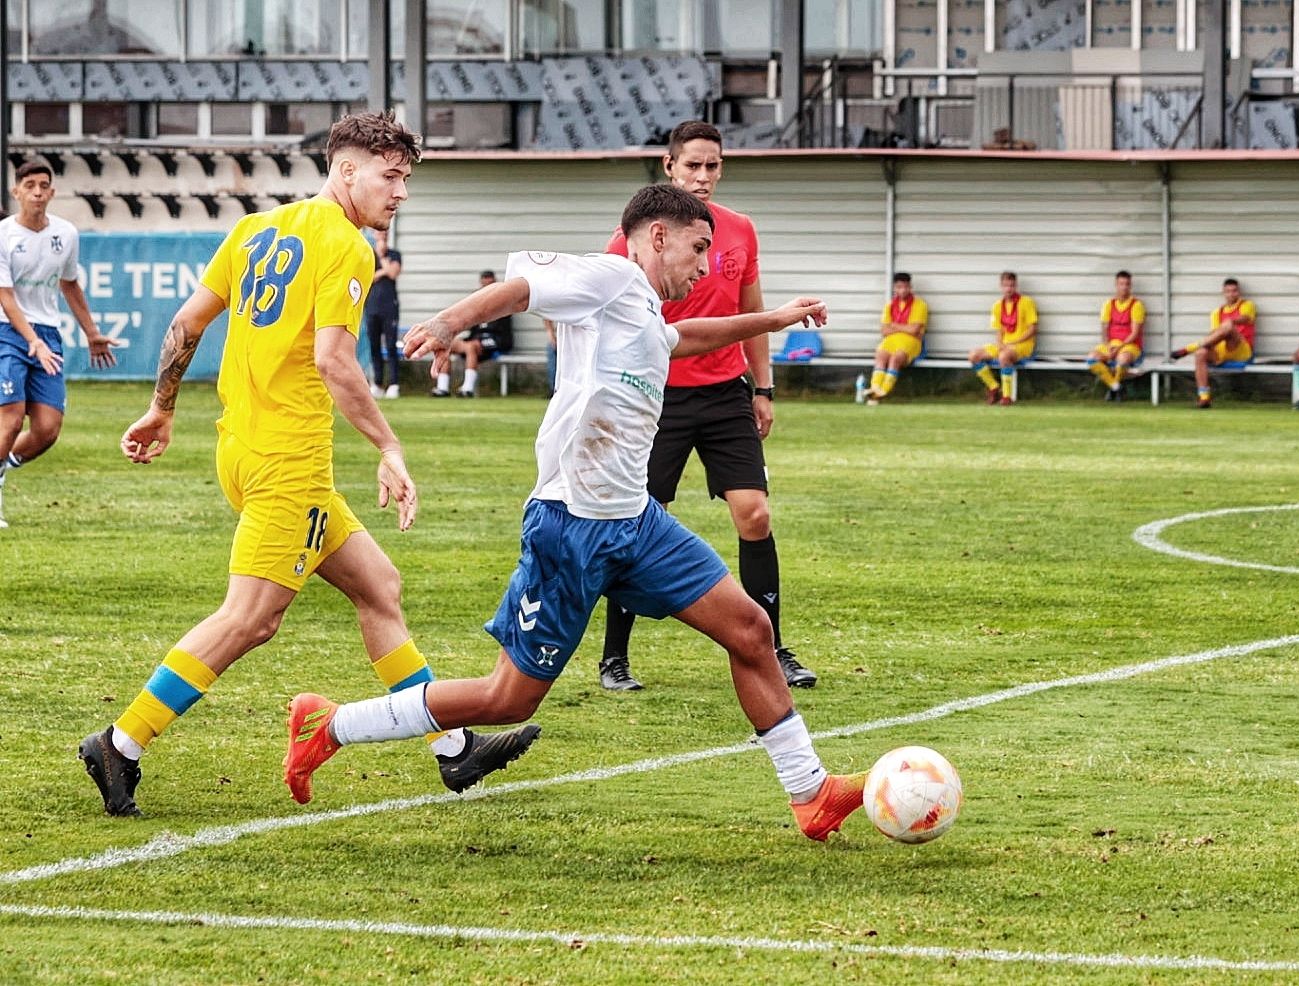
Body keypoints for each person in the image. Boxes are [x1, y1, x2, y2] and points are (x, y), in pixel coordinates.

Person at [283, 183, 865, 843]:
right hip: (572, 524)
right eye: (698, 249)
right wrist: (451, 322)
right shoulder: (613, 275)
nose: (706, 267)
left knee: (752, 631)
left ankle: (811, 795)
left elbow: (684, 337)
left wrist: (772, 320)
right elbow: (523, 287)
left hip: (636, 523)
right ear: (658, 237)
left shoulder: (641, 305)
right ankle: (327, 725)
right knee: (509, 699)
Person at [78, 112, 538, 818]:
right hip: (288, 463)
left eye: (407, 178)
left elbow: (186, 324)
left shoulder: (258, 229)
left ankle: (454, 749)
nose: (402, 193)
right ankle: (121, 742)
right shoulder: (346, 245)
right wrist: (389, 447)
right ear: (346, 170)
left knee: (379, 587)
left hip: (244, 449)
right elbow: (333, 360)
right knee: (250, 619)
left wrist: (163, 406)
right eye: (392, 176)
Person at [599, 120, 816, 693]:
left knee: (756, 514)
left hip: (726, 395)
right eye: (691, 165)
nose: (702, 176)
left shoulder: (741, 231)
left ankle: (770, 648)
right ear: (669, 167)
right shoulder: (633, 237)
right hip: (655, 396)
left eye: (712, 165)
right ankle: (613, 656)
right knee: (634, 521)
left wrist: (763, 389)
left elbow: (753, 311)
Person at [0, 160, 117, 529]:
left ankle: (3, 467)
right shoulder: (3, 235)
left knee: (47, 429)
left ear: (52, 193)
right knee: (11, 418)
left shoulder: (66, 234)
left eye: (43, 185)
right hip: (8, 330)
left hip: (47, 334)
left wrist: (92, 333)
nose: (37, 191)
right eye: (29, 185)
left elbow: (70, 285)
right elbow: (5, 296)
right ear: (17, 191)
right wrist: (30, 340)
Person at [1171, 278, 1255, 409]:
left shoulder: (1247, 305)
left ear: (1239, 292)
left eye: (1234, 291)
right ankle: (1204, 397)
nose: (1231, 294)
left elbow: (1246, 318)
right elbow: (1215, 334)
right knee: (1200, 353)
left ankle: (1189, 348)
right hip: (1221, 351)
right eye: (1228, 291)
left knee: (1228, 325)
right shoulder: (1217, 312)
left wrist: (1231, 321)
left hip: (1240, 348)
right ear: (1223, 293)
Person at [430, 270, 514, 397]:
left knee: (471, 347)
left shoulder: (504, 300)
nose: (487, 288)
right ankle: (442, 388)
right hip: (476, 338)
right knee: (446, 344)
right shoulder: (477, 301)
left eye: (490, 285)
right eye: (484, 285)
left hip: (496, 339)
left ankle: (467, 389)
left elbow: (500, 330)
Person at [969, 271, 1037, 405]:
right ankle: (994, 388)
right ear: (1001, 286)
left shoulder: (1026, 302)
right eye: (1006, 286)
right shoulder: (998, 306)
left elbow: (1033, 329)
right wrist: (1000, 343)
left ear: (1016, 286)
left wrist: (1013, 342)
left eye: (1011, 286)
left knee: (1003, 356)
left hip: (1023, 344)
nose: (1008, 289)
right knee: (974, 355)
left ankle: (1007, 397)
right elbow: (999, 330)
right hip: (1005, 344)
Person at [863, 272, 927, 406]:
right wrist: (905, 327)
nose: (902, 290)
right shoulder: (890, 305)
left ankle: (883, 391)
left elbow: (914, 330)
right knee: (880, 355)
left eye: (905, 287)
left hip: (911, 342)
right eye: (899, 287)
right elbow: (884, 331)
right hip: (891, 340)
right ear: (894, 288)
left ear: (910, 287)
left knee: (896, 358)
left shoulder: (919, 305)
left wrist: (894, 325)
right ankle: (875, 389)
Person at [1086, 270, 1145, 402]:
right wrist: (1108, 346)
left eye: (1127, 284)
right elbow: (1104, 329)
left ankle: (1113, 389)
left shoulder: (1136, 305)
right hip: (1112, 344)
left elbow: (1135, 333)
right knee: (1091, 358)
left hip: (1129, 345)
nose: (1124, 287)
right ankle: (1115, 387)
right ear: (1116, 285)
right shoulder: (1109, 304)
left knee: (1122, 360)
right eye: (1121, 284)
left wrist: (1118, 349)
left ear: (1130, 286)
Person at [365, 228, 402, 399]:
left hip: (390, 307)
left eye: (385, 235)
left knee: (391, 345)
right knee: (374, 346)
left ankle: (394, 383)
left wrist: (382, 258)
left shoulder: (394, 254)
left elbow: (393, 273)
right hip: (372, 306)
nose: (383, 237)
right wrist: (383, 270)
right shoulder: (368, 255)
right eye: (380, 234)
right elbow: (367, 278)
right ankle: (378, 383)